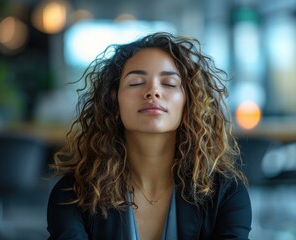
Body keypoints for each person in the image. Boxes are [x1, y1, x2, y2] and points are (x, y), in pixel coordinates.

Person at [47, 32, 252, 240]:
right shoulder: (73, 194)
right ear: (113, 101)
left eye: (169, 83)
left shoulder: (226, 194)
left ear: (189, 103)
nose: (153, 91)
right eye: (136, 82)